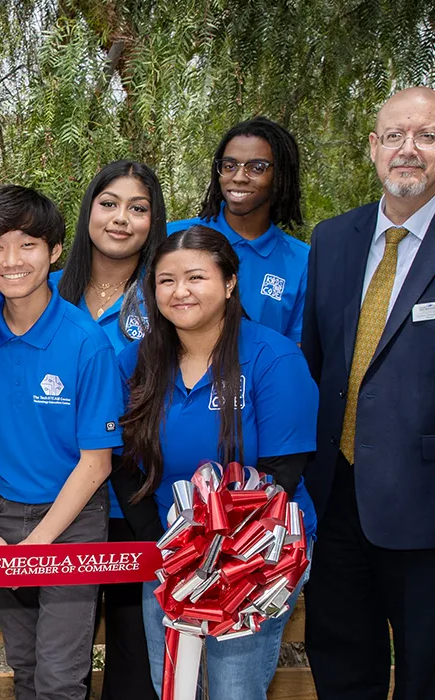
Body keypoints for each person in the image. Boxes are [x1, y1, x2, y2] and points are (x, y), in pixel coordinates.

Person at [113, 226, 318, 699]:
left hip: (258, 551)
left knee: (232, 689)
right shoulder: (135, 362)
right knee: (174, 684)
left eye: (195, 277)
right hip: (168, 553)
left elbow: (283, 473)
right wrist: (164, 552)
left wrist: (218, 561)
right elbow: (123, 463)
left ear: (229, 283)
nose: (179, 291)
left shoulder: (273, 357)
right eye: (165, 280)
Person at [0, 184, 122, 700]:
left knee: (59, 679)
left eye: (27, 245)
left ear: (54, 252)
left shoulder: (86, 342)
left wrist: (39, 543)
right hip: (5, 517)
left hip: (72, 521)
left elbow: (96, 464)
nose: (11, 261)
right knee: (25, 668)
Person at [302, 85, 435, 700]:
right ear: (374, 148)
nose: (409, 149)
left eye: (428, 136)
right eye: (395, 136)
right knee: (341, 668)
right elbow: (316, 363)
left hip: (426, 509)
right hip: (337, 501)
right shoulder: (332, 239)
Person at [52, 160, 165, 700]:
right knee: (54, 659)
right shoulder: (44, 290)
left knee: (132, 657)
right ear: (88, 211)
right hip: (56, 503)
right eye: (109, 204)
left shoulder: (168, 295)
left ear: (153, 220)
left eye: (138, 208)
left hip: (134, 504)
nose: (122, 219)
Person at [168, 117, 308, 343]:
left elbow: (295, 349)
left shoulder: (302, 261)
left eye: (257, 168)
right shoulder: (173, 237)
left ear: (280, 175)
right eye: (229, 166)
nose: (239, 177)